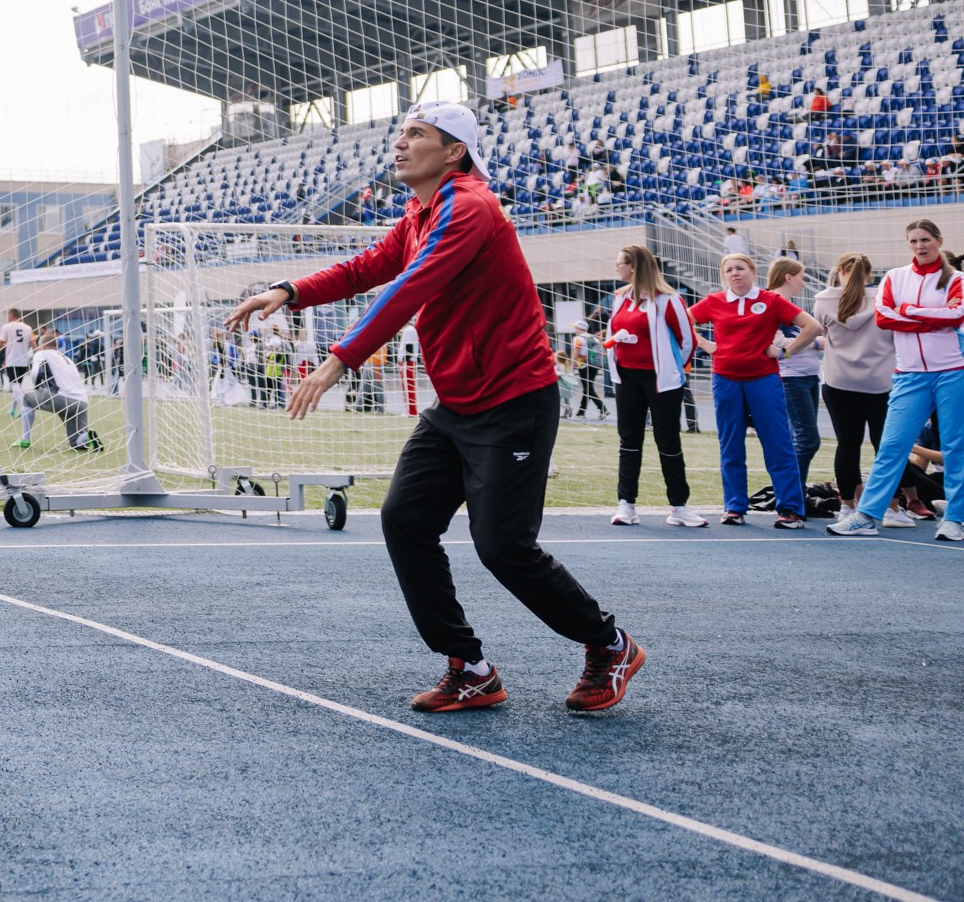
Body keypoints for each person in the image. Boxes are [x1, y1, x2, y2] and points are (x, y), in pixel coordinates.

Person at [225, 102, 642, 715]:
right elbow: (369, 267)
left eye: (415, 134)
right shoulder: (419, 211)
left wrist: (339, 359)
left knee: (502, 547)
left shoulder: (470, 207)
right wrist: (288, 291)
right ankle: (469, 667)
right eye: (400, 133)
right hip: (458, 403)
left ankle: (609, 645)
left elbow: (408, 287)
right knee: (405, 519)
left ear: (454, 152)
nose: (399, 143)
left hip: (514, 400)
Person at [828, 219, 964, 541]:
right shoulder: (895, 277)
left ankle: (955, 519)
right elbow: (884, 318)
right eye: (914, 241)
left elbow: (956, 316)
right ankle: (866, 516)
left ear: (938, 240)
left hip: (952, 373)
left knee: (956, 447)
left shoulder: (957, 279)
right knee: (890, 446)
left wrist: (909, 311)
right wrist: (929, 318)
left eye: (926, 239)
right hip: (909, 376)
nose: (920, 245)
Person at [689, 253, 823, 526]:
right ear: (723, 275)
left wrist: (786, 352)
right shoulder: (714, 301)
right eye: (729, 270)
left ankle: (790, 510)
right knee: (730, 445)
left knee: (779, 443)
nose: (735, 273)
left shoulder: (771, 300)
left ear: (753, 272)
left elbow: (814, 326)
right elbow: (679, 322)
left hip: (764, 380)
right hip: (726, 380)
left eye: (740, 268)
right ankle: (735, 507)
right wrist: (704, 345)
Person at [603, 245, 702, 527]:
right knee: (629, 440)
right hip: (627, 378)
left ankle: (679, 506)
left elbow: (687, 340)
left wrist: (670, 368)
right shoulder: (619, 298)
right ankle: (626, 504)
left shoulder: (669, 299)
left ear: (633, 266)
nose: (616, 267)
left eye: (619, 263)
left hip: (661, 381)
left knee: (668, 440)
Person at [814, 253, 890, 510]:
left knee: (847, 445)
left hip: (839, 381)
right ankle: (890, 506)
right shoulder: (883, 297)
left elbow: (819, 332)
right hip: (880, 380)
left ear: (840, 270)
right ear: (869, 274)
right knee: (885, 447)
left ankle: (847, 506)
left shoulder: (824, 300)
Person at [768, 255, 826, 497]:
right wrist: (815, 343)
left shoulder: (790, 305)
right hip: (792, 379)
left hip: (808, 377)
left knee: (803, 439)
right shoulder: (774, 303)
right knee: (807, 439)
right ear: (789, 277)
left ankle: (794, 491)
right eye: (801, 277)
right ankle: (791, 493)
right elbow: (777, 346)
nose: (804, 282)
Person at [13, 326, 101, 451]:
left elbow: (35, 373)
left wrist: (37, 389)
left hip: (61, 397)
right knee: (76, 442)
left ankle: (25, 440)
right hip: (81, 401)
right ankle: (89, 436)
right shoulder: (67, 359)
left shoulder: (41, 353)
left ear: (42, 345)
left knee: (27, 397)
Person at [0, 310, 34, 408]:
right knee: (17, 386)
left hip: (12, 360)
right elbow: (33, 344)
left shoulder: (7, 327)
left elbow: (0, 343)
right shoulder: (28, 328)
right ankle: (12, 410)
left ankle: (24, 407)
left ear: (11, 315)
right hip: (24, 361)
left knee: (14, 385)